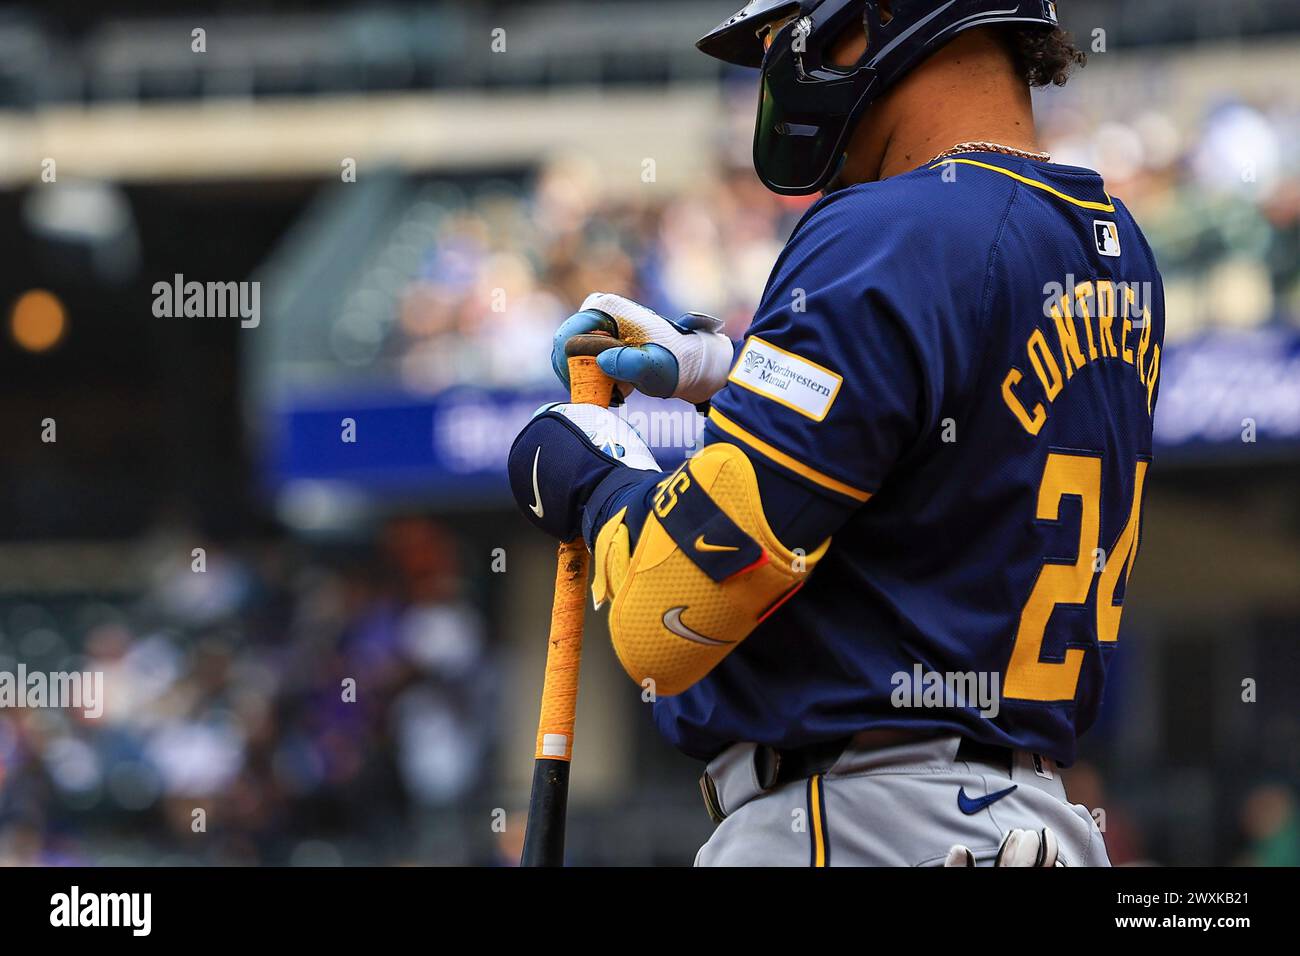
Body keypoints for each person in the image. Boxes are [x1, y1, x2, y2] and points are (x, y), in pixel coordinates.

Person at [509, 0, 1164, 866]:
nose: (780, 62)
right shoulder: (1110, 245)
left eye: (788, 32)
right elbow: (933, 440)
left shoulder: (887, 229)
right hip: (1026, 819)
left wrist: (596, 478)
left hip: (855, 824)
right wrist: (724, 371)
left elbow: (667, 615)